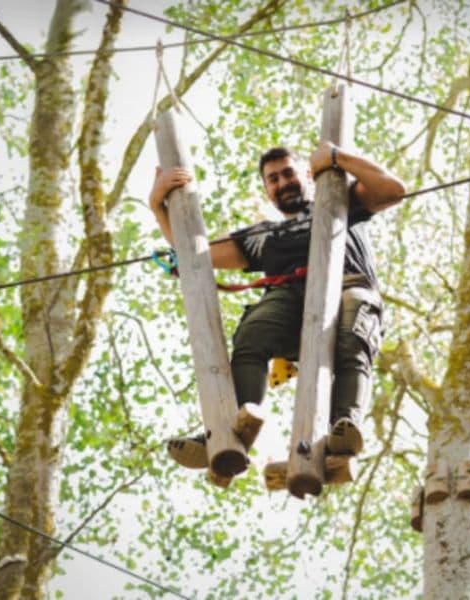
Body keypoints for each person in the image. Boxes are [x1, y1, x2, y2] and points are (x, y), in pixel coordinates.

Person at [149, 141, 405, 470]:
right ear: (267, 190)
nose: (283, 183)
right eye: (273, 179)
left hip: (347, 286)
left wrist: (337, 159)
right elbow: (193, 252)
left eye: (288, 174)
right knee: (253, 331)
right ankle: (233, 431)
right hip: (289, 300)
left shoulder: (341, 201)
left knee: (352, 334)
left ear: (308, 176)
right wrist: (158, 205)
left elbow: (394, 190)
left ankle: (343, 428)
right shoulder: (262, 236)